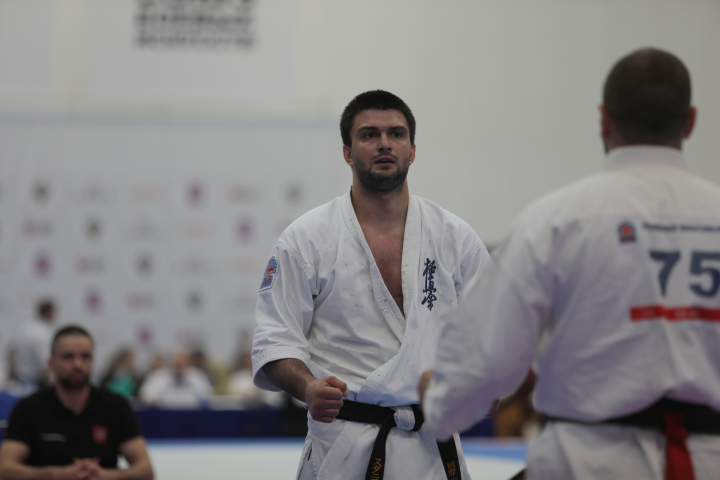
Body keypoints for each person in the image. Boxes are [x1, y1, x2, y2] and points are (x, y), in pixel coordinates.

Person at [421, 48, 720, 480]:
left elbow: (484, 360)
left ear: (603, 119)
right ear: (690, 121)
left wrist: (439, 402)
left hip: (588, 464)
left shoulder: (558, 221)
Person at [252, 90, 490, 480]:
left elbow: (491, 334)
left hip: (432, 448)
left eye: (396, 133)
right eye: (369, 134)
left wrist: (485, 384)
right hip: (345, 445)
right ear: (347, 152)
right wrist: (308, 387)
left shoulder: (455, 238)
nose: (384, 143)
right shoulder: (306, 239)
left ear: (413, 150)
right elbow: (274, 340)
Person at [0, 326, 154, 480]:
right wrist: (57, 475)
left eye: (85, 356)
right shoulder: (28, 408)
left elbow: (146, 470)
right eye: (68, 357)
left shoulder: (116, 406)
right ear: (51, 363)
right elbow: (4, 470)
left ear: (93, 361)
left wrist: (106, 476)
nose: (78, 364)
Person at [138, 348, 213, 409]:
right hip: (164, 416)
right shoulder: (159, 375)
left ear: (187, 361)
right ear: (171, 361)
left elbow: (208, 396)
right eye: (176, 361)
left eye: (182, 361)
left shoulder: (197, 376)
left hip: (191, 416)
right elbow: (146, 395)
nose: (179, 363)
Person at [11, 299, 55, 394]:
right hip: (36, 385)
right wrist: (52, 391)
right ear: (49, 313)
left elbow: (11, 354)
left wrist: (11, 375)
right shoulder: (44, 333)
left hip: (20, 383)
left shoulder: (25, 329)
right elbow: (46, 364)